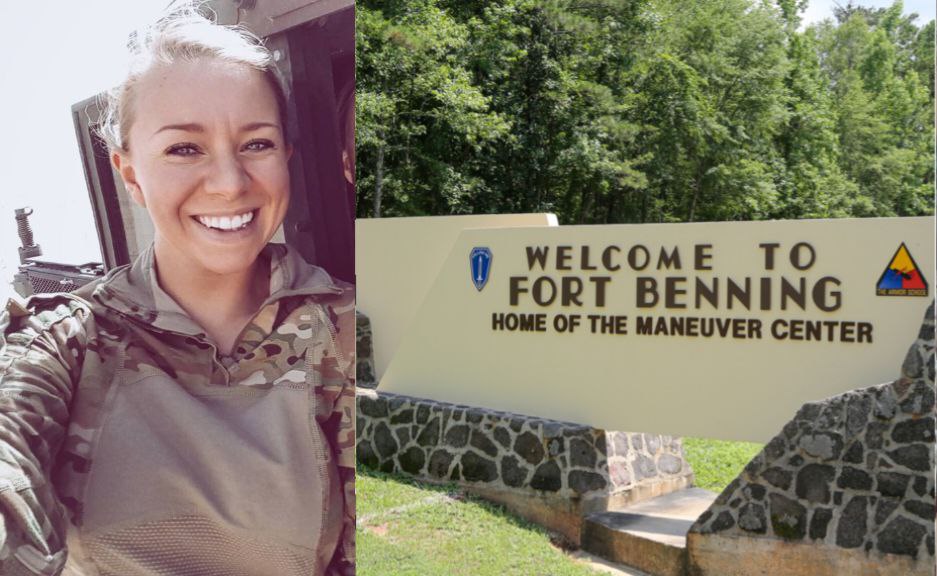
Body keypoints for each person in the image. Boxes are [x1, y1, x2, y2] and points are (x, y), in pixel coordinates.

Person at [0, 7, 355, 576]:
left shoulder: (349, 329)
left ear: (286, 158)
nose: (230, 183)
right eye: (184, 149)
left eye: (256, 144)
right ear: (130, 174)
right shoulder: (63, 346)